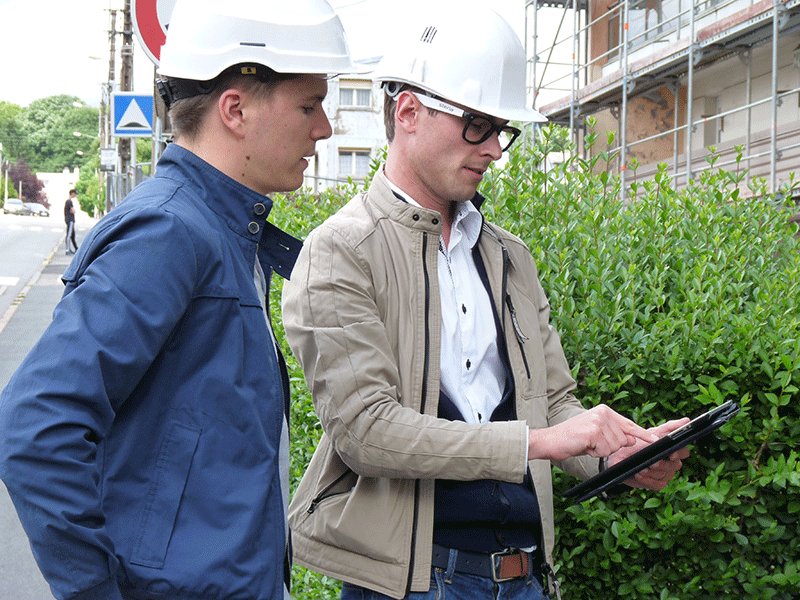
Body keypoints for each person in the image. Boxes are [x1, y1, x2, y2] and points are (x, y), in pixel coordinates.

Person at [281, 5, 690, 600]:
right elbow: (366, 432)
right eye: (477, 124)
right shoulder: (340, 252)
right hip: (413, 584)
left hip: (526, 577)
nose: (496, 148)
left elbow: (550, 403)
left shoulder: (508, 256)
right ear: (409, 112)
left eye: (501, 128)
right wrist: (538, 443)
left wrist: (617, 456)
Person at [0, 0, 357, 599]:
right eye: (308, 105)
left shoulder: (221, 229)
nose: (324, 128)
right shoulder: (170, 234)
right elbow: (37, 426)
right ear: (235, 109)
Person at [64, 188, 78, 255]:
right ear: (72, 194)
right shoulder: (69, 202)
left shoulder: (68, 201)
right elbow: (73, 211)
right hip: (70, 220)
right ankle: (67, 250)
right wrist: (73, 211)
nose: (75, 195)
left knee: (72, 235)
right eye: (75, 194)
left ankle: (76, 248)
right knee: (69, 235)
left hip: (69, 220)